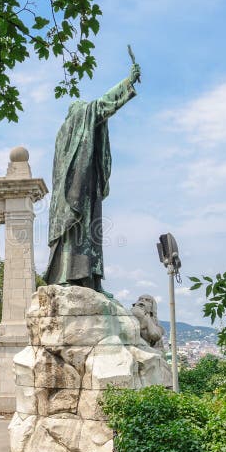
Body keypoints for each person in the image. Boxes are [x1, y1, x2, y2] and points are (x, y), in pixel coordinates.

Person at [43, 61, 141, 292]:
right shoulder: (77, 121)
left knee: (86, 236)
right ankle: (71, 278)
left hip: (83, 186)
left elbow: (99, 112)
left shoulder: (62, 134)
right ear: (77, 115)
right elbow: (102, 105)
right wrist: (128, 82)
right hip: (75, 191)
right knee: (77, 234)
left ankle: (89, 280)